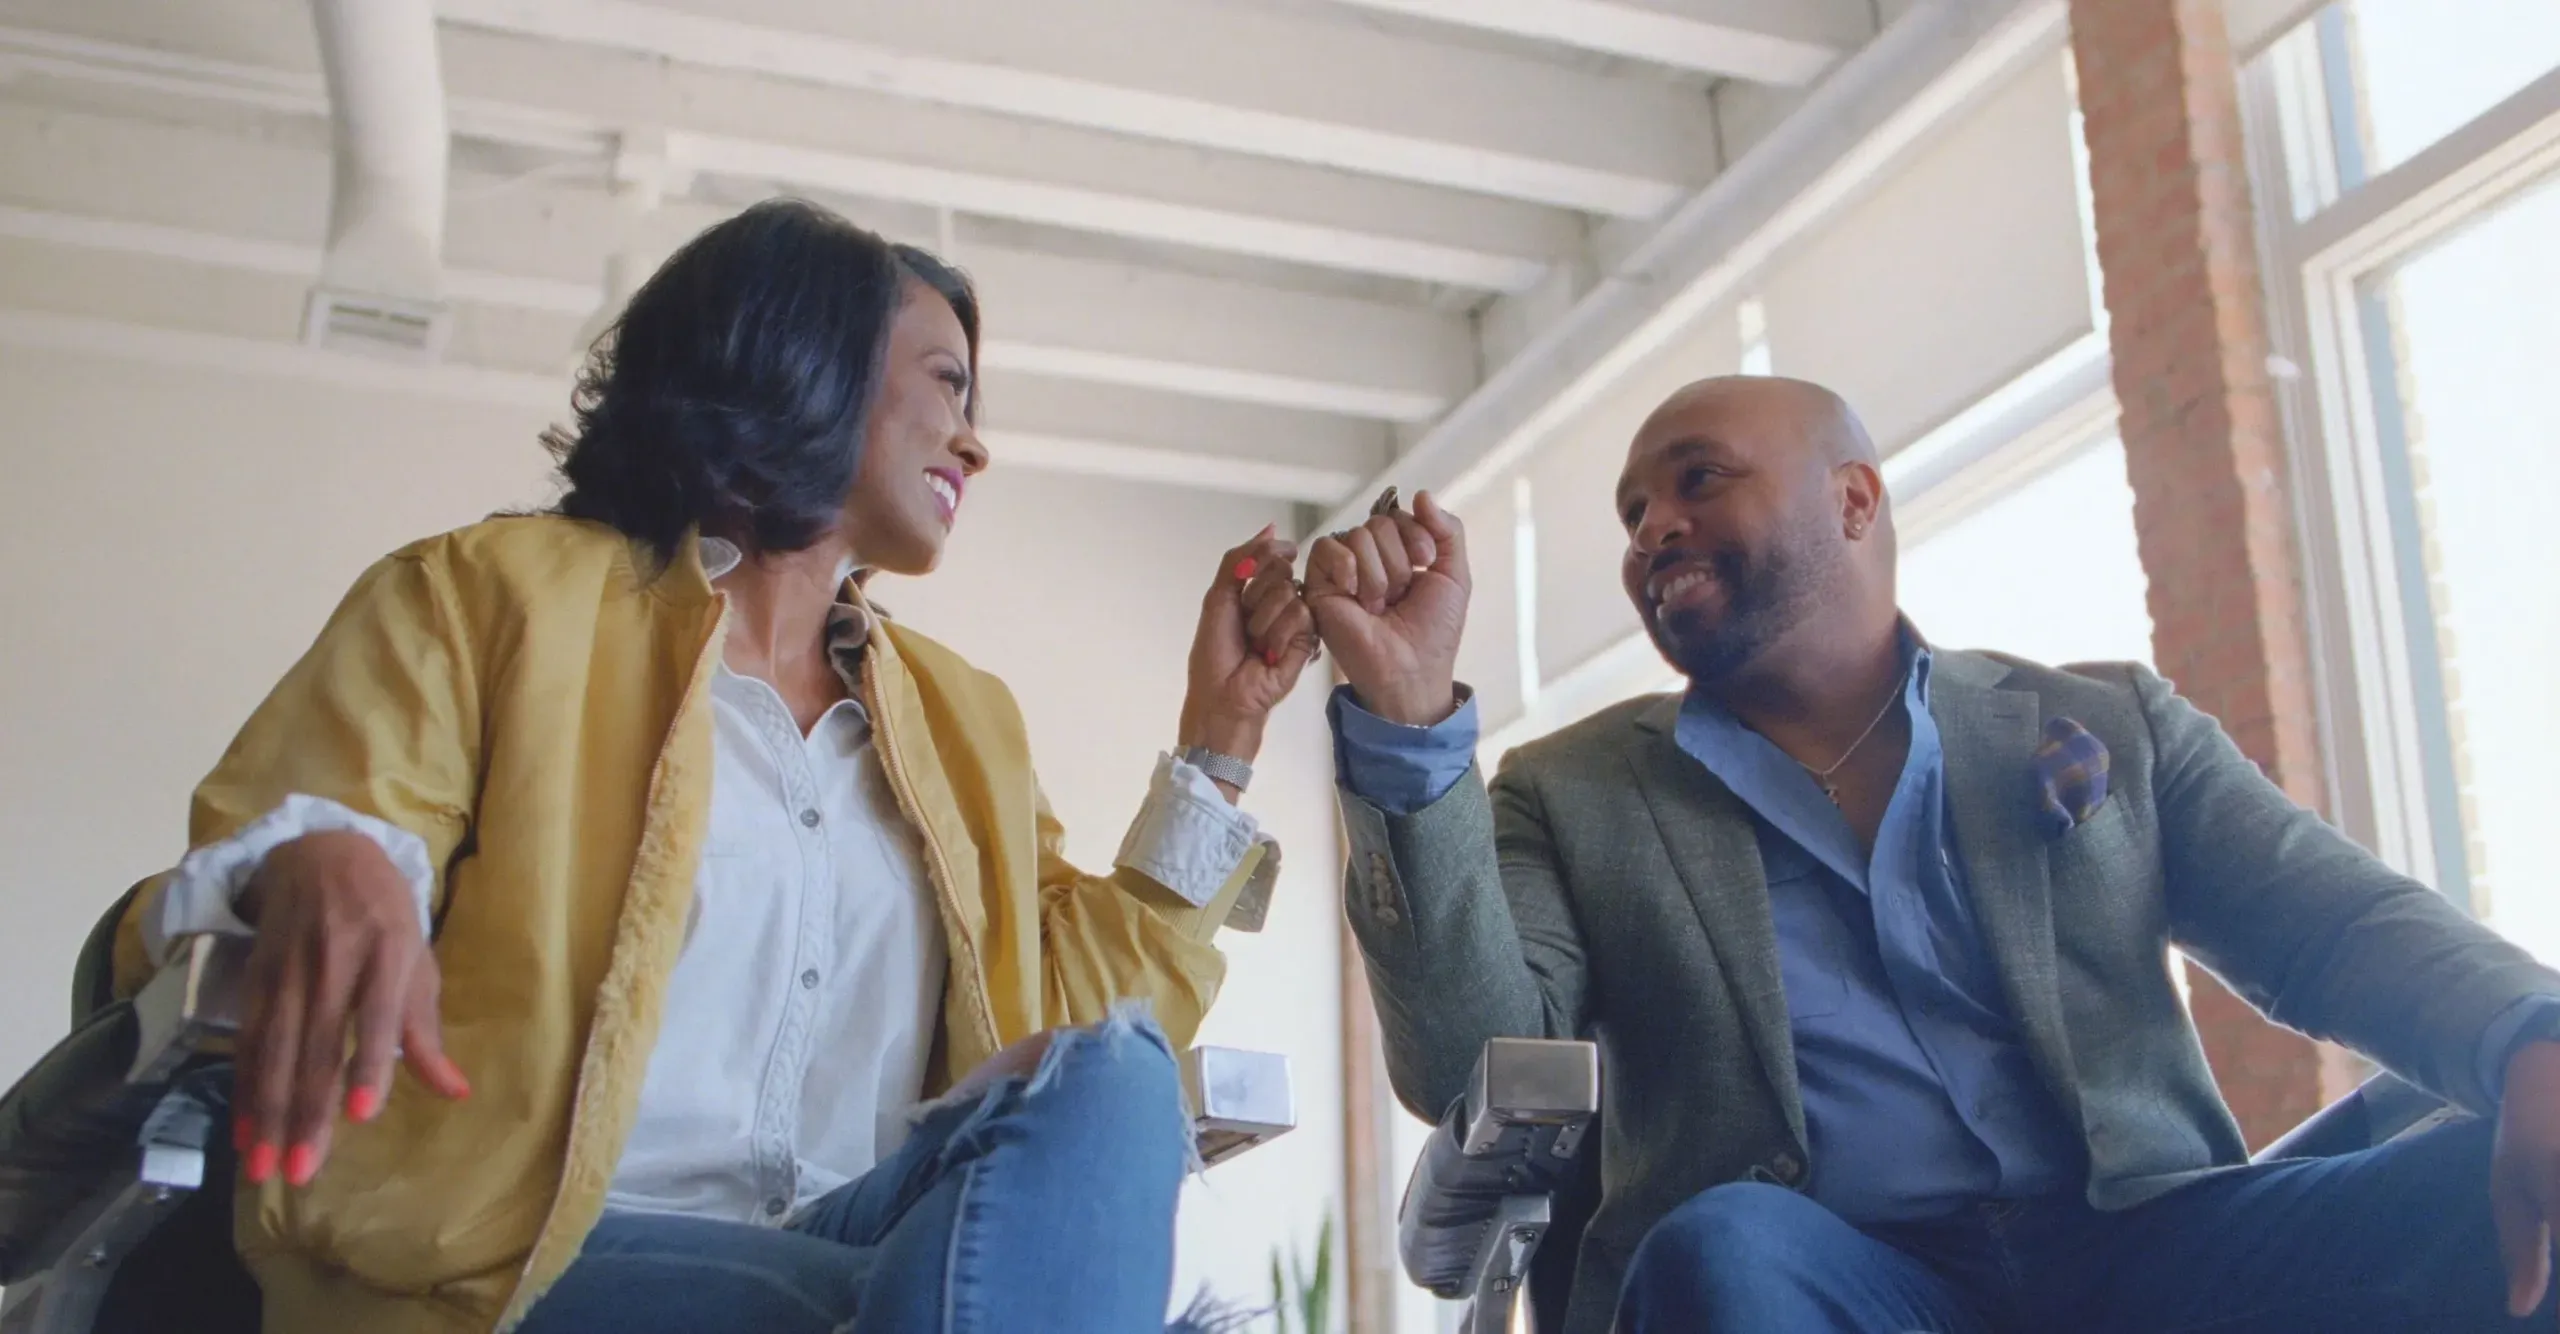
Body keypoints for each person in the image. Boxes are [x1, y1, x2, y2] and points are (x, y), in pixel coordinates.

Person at [101, 199, 1318, 1334]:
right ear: (807, 360)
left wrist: (1221, 736)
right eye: (947, 383)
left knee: (1111, 1077)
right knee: (891, 1302)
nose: (975, 441)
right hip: (516, 1257)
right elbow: (284, 840)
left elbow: (1064, 1014)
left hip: (863, 1232)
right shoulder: (490, 596)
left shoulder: (961, 721)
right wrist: (319, 857)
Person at [1298, 374, 2560, 1333]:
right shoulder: (1573, 791)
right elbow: (1469, 1058)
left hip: (2153, 1261)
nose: (1652, 528)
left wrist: (2531, 1034)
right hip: (1832, 1282)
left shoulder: (2104, 720)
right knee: (1720, 1248)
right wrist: (1408, 727)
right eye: (1634, 513)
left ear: (1852, 498)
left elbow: (2329, 925)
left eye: (1697, 480)